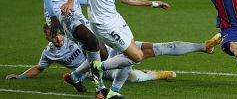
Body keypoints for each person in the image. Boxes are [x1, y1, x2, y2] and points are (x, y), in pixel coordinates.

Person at [6, 23, 222, 94]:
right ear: (48, 37)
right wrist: (22, 77)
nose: (59, 40)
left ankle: (204, 46)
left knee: (164, 46)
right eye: (54, 37)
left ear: (62, 31)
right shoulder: (50, 53)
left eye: (59, 34)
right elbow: (39, 67)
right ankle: (158, 75)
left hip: (116, 49)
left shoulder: (76, 34)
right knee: (136, 77)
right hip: (106, 67)